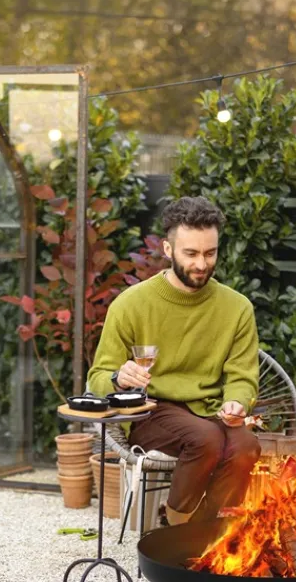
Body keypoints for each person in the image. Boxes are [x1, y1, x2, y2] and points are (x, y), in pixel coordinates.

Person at [88, 196, 261, 525]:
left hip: (211, 409)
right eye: (191, 253)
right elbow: (97, 377)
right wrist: (118, 377)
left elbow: (242, 377)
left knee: (247, 447)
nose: (201, 264)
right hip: (152, 412)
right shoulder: (132, 305)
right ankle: (178, 526)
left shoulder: (237, 308)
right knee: (206, 439)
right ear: (168, 251)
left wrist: (237, 402)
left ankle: (215, 536)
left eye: (210, 253)